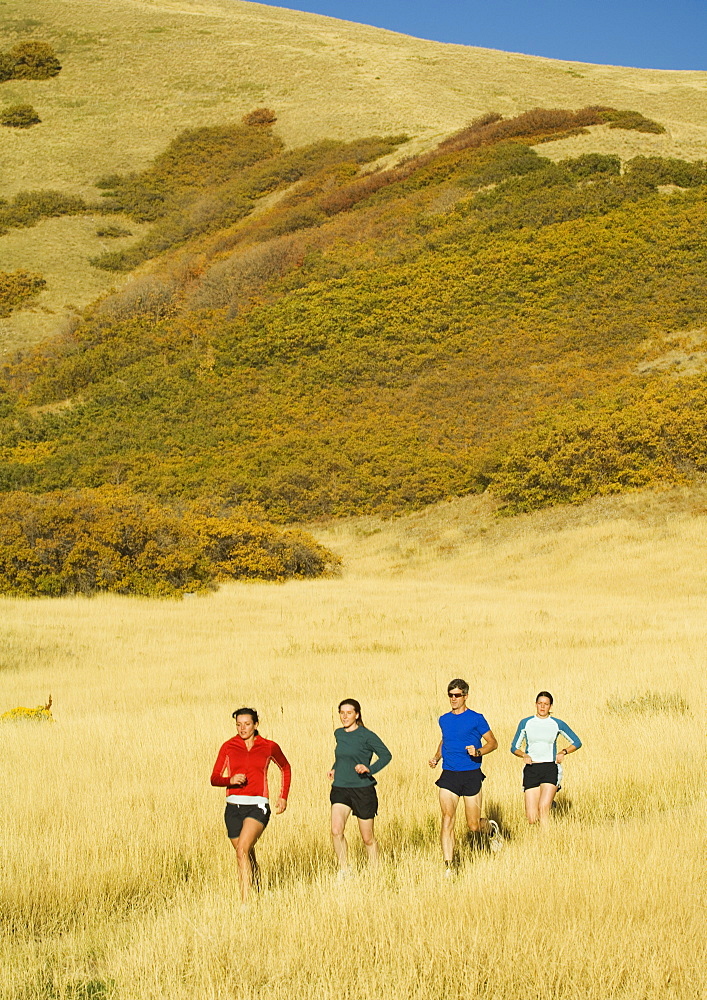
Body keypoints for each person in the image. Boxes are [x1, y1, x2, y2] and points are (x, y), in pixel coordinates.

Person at [210, 707, 291, 903]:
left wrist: (283, 796)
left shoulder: (269, 746)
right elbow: (214, 778)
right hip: (232, 808)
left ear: (256, 725)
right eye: (238, 724)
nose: (242, 728)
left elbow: (285, 768)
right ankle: (259, 890)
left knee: (242, 850)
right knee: (246, 854)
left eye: (247, 724)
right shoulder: (228, 746)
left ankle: (246, 904)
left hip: (258, 805)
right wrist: (230, 780)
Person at [429, 678, 503, 869]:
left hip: (471, 774)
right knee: (447, 818)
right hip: (449, 775)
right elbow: (445, 740)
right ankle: (449, 866)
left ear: (465, 696)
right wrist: (437, 757)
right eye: (450, 695)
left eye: (457, 695)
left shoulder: (476, 718)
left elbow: (493, 743)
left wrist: (478, 752)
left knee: (473, 826)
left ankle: (491, 829)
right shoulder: (444, 719)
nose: (453, 699)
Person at [328, 698, 391, 877]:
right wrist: (335, 768)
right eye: (342, 713)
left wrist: (369, 769)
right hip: (340, 787)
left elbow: (386, 755)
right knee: (336, 830)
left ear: (357, 714)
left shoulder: (367, 735)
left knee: (367, 838)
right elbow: (343, 755)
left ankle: (375, 872)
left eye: (349, 713)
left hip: (362, 789)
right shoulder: (339, 733)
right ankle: (344, 870)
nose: (345, 716)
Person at [510, 691, 582, 827]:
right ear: (535, 705)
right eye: (540, 704)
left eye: (546, 704)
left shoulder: (557, 724)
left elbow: (576, 742)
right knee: (532, 818)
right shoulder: (526, 723)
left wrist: (563, 752)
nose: (542, 707)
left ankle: (546, 841)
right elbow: (514, 747)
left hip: (550, 767)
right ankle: (551, 803)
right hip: (532, 768)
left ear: (551, 706)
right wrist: (523, 755)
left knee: (543, 809)